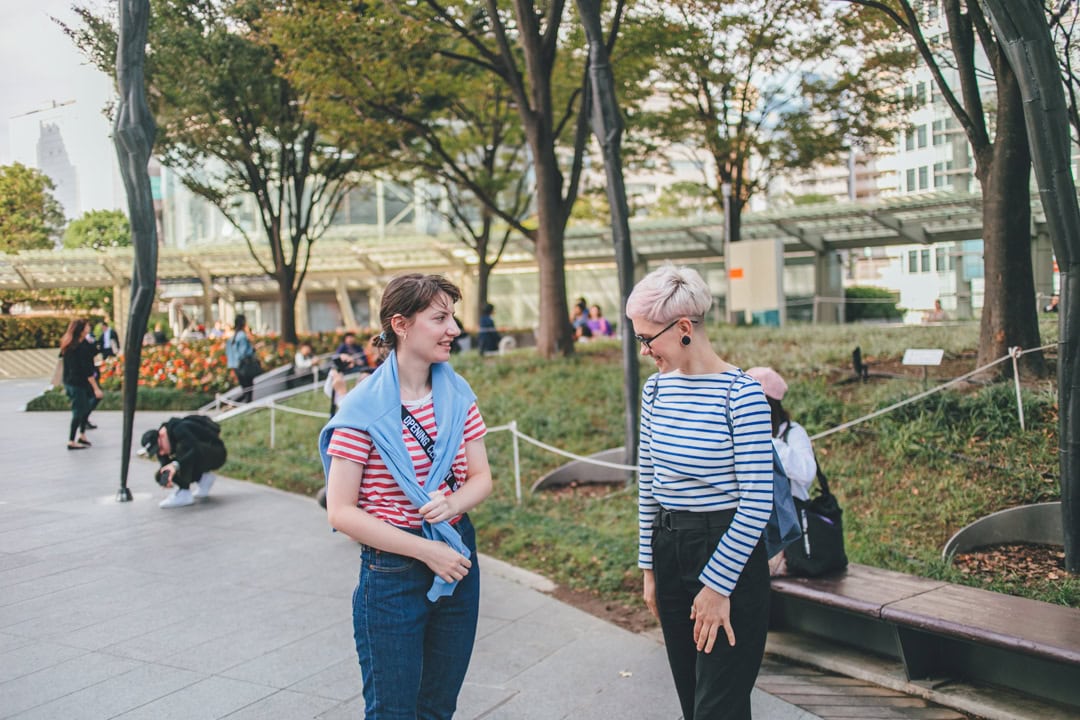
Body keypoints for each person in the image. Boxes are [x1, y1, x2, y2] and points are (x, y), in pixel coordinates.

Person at [319, 273, 493, 719]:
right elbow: (340, 512)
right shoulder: (362, 410)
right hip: (393, 571)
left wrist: (453, 505)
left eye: (451, 317)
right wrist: (426, 550)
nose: (453, 329)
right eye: (439, 318)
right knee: (392, 712)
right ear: (401, 324)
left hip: (456, 557)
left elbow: (481, 478)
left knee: (437, 708)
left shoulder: (458, 395)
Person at [626, 264, 773, 720]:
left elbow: (757, 500)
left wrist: (717, 584)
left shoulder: (742, 394)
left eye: (648, 338)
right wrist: (649, 566)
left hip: (727, 549)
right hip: (670, 547)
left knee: (718, 707)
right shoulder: (655, 392)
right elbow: (648, 482)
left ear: (684, 328)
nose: (645, 350)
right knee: (695, 703)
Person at [745, 367, 817, 577]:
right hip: (754, 527)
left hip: (788, 531)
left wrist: (767, 443)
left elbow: (806, 473)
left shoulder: (793, 434)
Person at [141, 415, 228, 508]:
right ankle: (203, 479)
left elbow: (193, 449)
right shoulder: (164, 444)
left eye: (160, 448)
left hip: (216, 453)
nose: (161, 453)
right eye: (157, 451)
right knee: (164, 471)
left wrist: (175, 466)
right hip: (201, 456)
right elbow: (165, 467)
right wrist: (167, 478)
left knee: (183, 451)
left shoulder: (179, 428)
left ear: (162, 435)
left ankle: (184, 493)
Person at [59, 318, 102, 450]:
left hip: (74, 382)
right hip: (77, 382)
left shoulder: (77, 343)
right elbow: (86, 368)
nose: (89, 328)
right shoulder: (77, 347)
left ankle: (82, 434)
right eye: (87, 326)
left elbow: (94, 351)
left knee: (85, 407)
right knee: (79, 410)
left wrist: (92, 342)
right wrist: (95, 387)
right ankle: (71, 440)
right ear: (82, 330)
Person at [226, 314, 257, 403]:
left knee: (245, 388)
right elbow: (243, 353)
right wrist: (253, 349)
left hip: (236, 366)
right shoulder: (242, 336)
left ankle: (235, 404)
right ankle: (242, 405)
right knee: (249, 389)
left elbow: (230, 353)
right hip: (244, 366)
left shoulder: (232, 337)